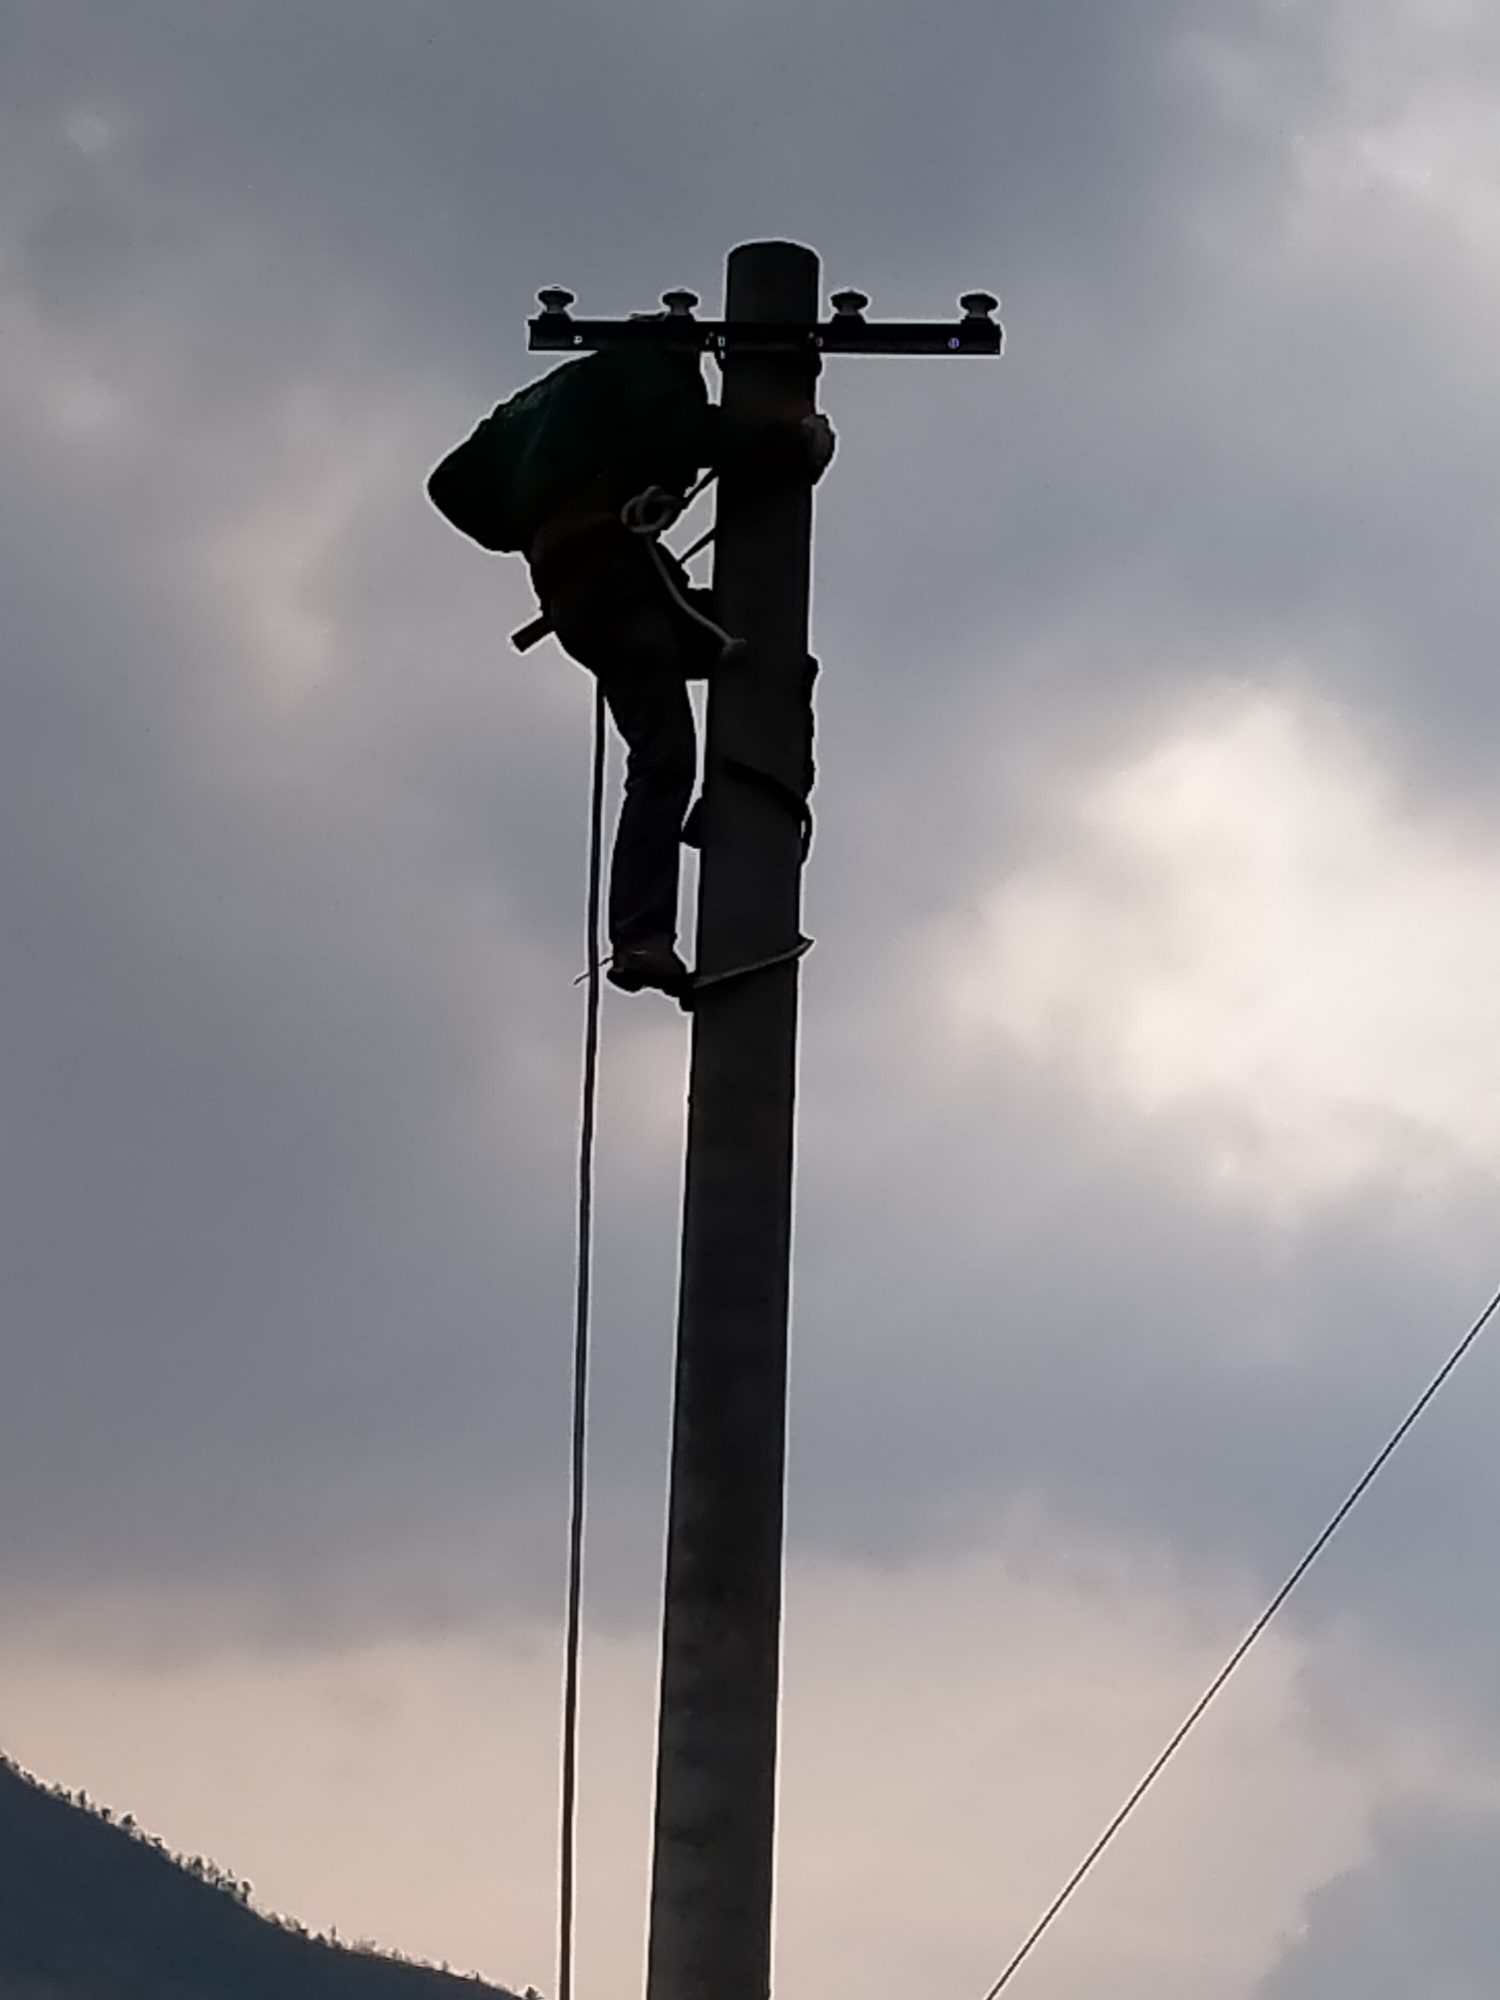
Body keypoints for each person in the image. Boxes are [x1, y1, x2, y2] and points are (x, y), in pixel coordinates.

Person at [431, 328, 835, 997]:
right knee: (688, 735)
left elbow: (449, 485)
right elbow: (688, 433)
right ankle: (645, 931)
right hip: (617, 577)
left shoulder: (552, 399)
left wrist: (534, 518)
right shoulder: (649, 369)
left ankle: (717, 825)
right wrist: (790, 444)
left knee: (700, 711)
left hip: (578, 592)